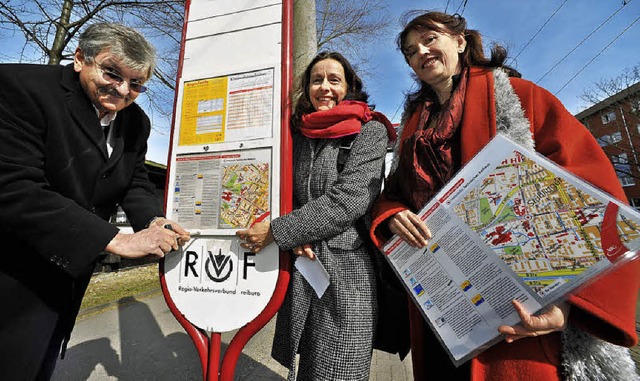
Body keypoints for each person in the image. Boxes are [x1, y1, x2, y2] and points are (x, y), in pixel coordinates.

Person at [369, 10, 640, 381]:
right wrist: (394, 215)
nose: (421, 52)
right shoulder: (411, 128)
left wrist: (569, 310)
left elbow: (598, 195)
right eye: (411, 51)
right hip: (442, 302)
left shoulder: (522, 97)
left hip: (520, 301)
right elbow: (392, 196)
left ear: (461, 41)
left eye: (430, 39)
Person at [0, 22, 190, 380]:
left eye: (136, 84)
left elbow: (133, 181)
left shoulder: (136, 122)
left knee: (39, 362)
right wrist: (115, 239)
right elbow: (14, 187)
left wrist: (152, 221)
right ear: (79, 59)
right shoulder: (19, 88)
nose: (122, 90)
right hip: (13, 270)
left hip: (69, 276)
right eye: (112, 73)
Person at [236, 51, 396, 380]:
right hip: (304, 266)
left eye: (334, 80)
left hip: (349, 273)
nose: (324, 87)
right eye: (316, 80)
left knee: (342, 367)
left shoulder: (370, 132)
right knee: (307, 366)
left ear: (349, 87)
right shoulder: (297, 135)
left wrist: (279, 232)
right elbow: (283, 194)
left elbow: (349, 199)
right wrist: (295, 238)